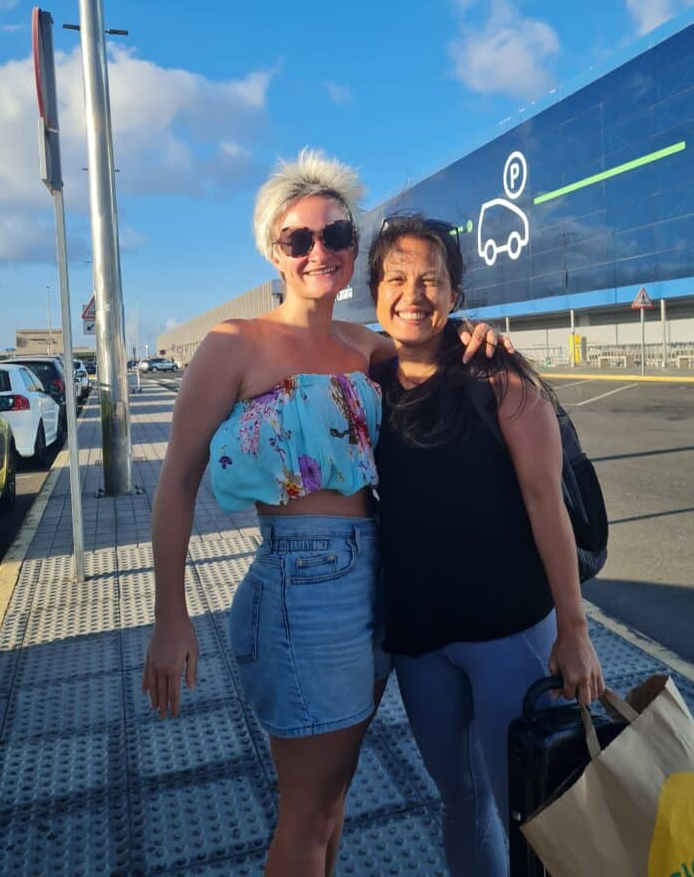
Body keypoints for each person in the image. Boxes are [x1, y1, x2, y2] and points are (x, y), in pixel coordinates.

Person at [141, 150, 502, 877]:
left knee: (333, 803)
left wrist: (479, 338)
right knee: (309, 814)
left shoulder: (368, 349)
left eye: (335, 236)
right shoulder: (233, 346)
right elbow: (176, 482)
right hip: (302, 587)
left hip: (380, 581)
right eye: (297, 239)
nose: (318, 252)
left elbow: (442, 360)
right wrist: (170, 615)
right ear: (273, 250)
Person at [368, 215, 605, 877]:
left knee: (537, 808)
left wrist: (575, 631)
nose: (412, 294)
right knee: (460, 801)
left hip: (512, 633)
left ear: (455, 293)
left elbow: (545, 504)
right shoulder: (368, 381)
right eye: (395, 278)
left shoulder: (499, 376)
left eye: (430, 280)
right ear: (375, 290)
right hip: (421, 643)